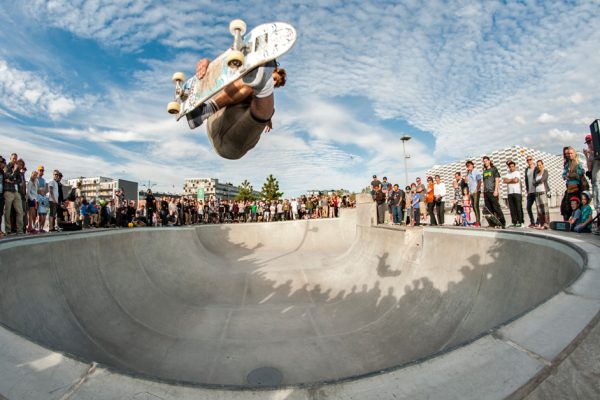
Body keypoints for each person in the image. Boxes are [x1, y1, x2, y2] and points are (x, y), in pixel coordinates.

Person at [187, 59, 287, 160]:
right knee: (250, 80)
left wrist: (268, 118)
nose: (274, 83)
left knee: (257, 90)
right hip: (215, 122)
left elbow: (267, 110)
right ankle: (205, 111)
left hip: (232, 145)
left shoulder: (268, 105)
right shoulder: (247, 78)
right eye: (274, 79)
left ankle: (207, 109)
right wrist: (210, 67)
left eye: (276, 84)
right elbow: (229, 69)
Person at [481, 156, 506, 228]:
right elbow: (484, 182)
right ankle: (492, 223)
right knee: (489, 209)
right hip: (486, 192)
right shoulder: (484, 171)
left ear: (489, 161)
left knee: (496, 208)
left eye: (486, 161)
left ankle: (502, 222)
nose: (485, 162)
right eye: (484, 161)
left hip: (492, 191)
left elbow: (497, 180)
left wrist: (496, 190)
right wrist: (483, 192)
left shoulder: (494, 169)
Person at [562, 146, 585, 221]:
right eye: (569, 153)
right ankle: (566, 221)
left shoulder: (578, 163)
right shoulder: (567, 164)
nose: (570, 155)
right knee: (566, 206)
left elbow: (581, 173)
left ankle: (574, 221)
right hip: (569, 187)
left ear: (574, 154)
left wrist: (572, 175)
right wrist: (567, 176)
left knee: (575, 206)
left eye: (571, 153)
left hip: (576, 188)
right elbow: (564, 175)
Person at [3, 155, 24, 235]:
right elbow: (7, 176)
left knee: (20, 211)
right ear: (10, 159)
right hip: (8, 191)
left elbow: (19, 180)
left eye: (16, 158)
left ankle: (20, 230)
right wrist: (14, 172)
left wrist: (12, 180)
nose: (15, 160)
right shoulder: (7, 167)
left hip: (16, 192)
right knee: (7, 211)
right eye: (13, 158)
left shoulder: (17, 168)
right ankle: (8, 230)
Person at [583, 134, 600, 234]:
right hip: (594, 181)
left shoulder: (598, 151)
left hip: (598, 181)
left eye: (590, 142)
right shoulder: (592, 154)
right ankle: (598, 226)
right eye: (588, 143)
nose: (589, 145)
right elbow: (589, 168)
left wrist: (593, 152)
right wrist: (587, 155)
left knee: (599, 202)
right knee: (597, 204)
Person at [503, 160, 524, 227]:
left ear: (515, 166)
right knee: (512, 209)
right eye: (510, 167)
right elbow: (504, 180)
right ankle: (514, 222)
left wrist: (509, 180)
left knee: (518, 208)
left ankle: (521, 222)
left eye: (512, 166)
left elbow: (516, 180)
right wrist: (511, 180)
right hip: (510, 193)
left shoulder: (517, 173)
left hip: (517, 192)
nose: (511, 168)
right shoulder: (508, 173)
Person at [464, 161, 482, 227]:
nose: (468, 167)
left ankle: (478, 221)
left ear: (472, 165)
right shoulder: (469, 173)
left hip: (476, 191)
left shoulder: (476, 171)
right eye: (467, 166)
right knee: (474, 206)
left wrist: (477, 189)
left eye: (469, 165)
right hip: (471, 192)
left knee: (475, 205)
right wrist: (466, 173)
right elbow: (466, 181)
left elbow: (479, 181)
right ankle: (477, 221)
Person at [534, 159, 551, 229]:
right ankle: (541, 223)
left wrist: (536, 182)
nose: (539, 166)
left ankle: (546, 223)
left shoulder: (545, 171)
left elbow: (543, 179)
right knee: (539, 209)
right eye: (538, 165)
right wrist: (537, 182)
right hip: (537, 192)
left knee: (545, 209)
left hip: (543, 191)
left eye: (540, 165)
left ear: (542, 165)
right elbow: (533, 182)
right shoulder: (536, 173)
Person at [523, 155, 538, 228]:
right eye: (527, 160)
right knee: (528, 207)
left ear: (532, 160)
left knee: (538, 207)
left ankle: (538, 222)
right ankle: (532, 222)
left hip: (536, 191)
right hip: (530, 191)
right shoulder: (526, 170)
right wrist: (527, 190)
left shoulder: (536, 168)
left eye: (530, 159)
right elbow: (526, 180)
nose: (529, 161)